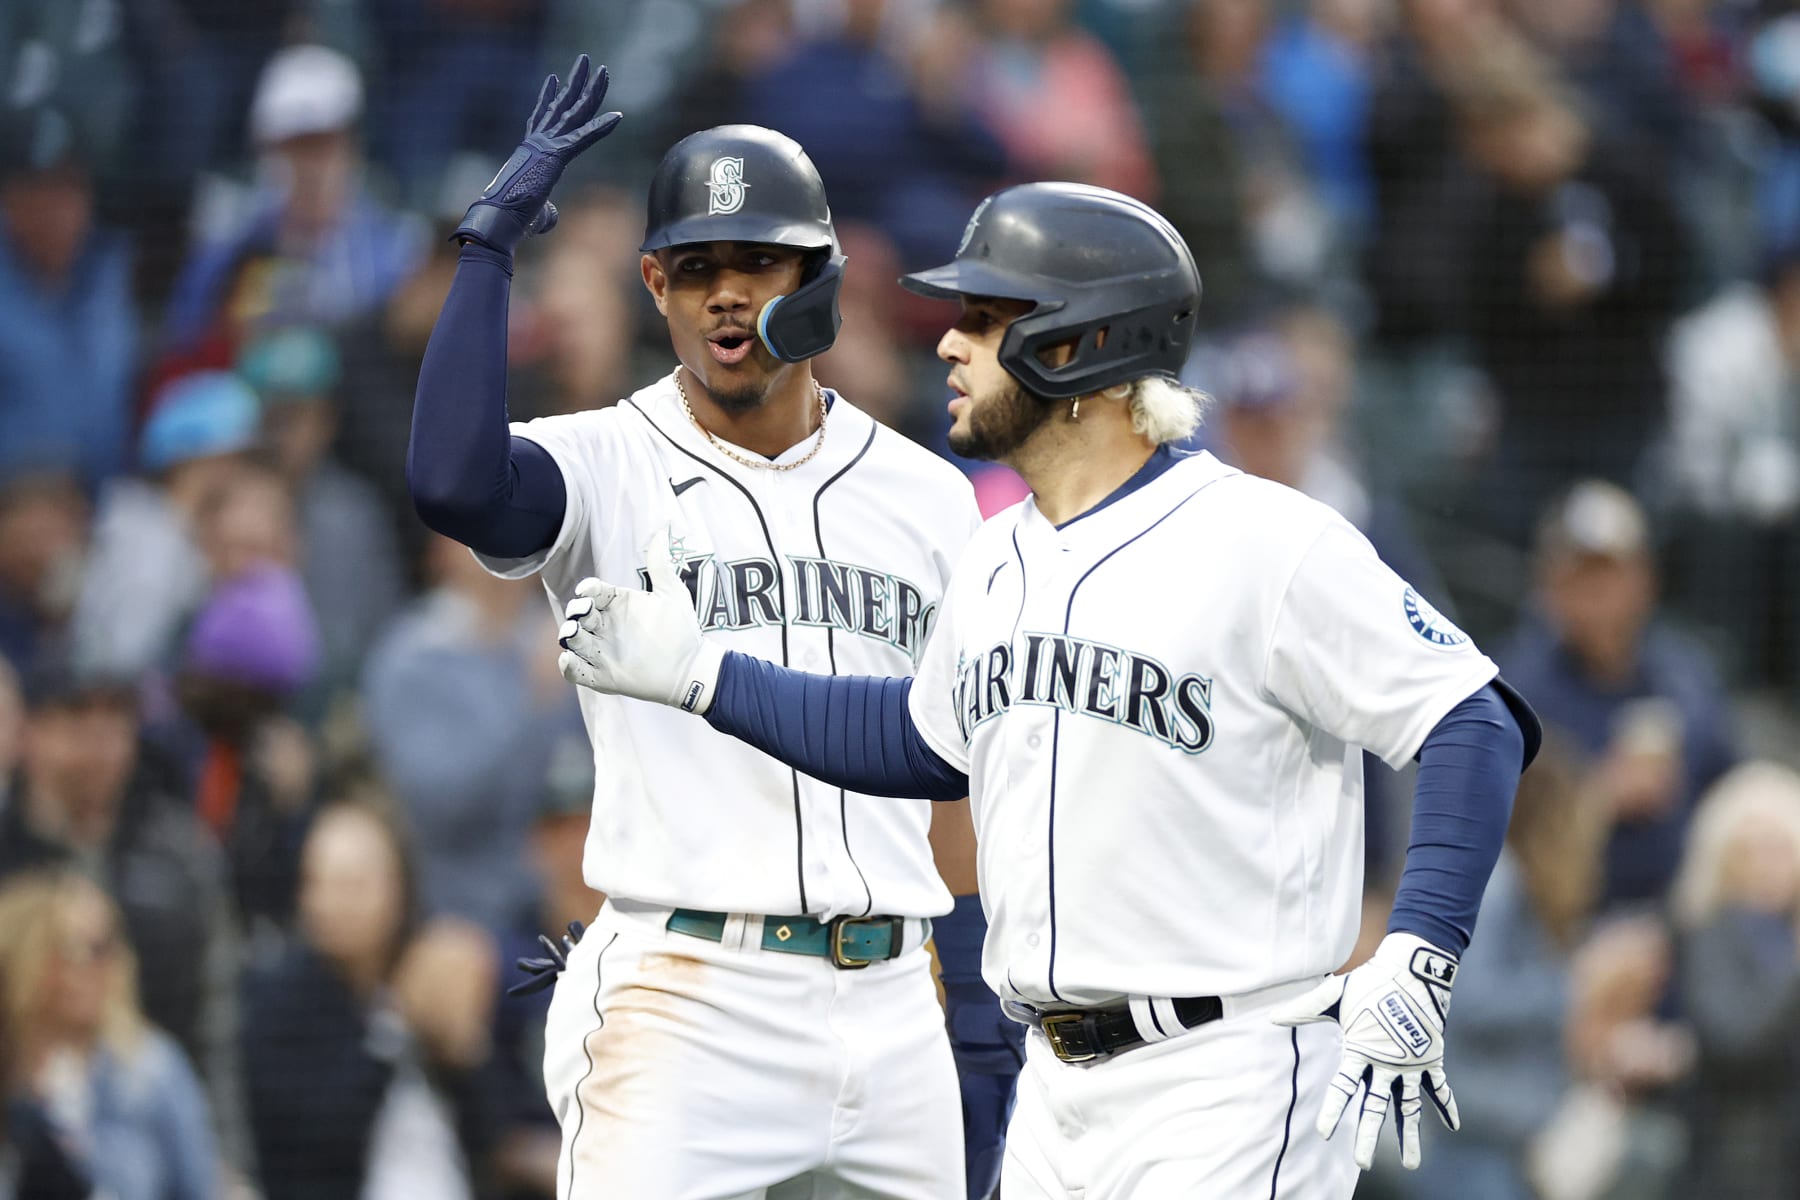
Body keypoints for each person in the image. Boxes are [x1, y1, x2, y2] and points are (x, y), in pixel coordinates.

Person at [556, 180, 1542, 1197]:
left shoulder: (1265, 542)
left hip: (1231, 1074)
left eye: (983, 320)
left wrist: (1422, 946)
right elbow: (912, 739)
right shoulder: (993, 559)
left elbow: (1472, 716)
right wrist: (704, 677)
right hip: (1056, 1089)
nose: (947, 343)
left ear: (1076, 346)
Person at [406, 59, 982, 1198]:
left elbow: (953, 769)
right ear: (655, 289)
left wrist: (967, 994)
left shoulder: (926, 494)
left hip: (893, 994)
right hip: (688, 992)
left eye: (757, 261)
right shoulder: (605, 460)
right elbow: (454, 483)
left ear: (816, 278)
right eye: (698, 269)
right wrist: (489, 250)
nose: (726, 294)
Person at [240, 800, 497, 1200]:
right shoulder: (278, 997)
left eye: (352, 885)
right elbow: (310, 1145)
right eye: (316, 882)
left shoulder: (428, 969)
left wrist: (460, 1049)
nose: (329, 902)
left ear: (399, 887)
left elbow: (490, 1137)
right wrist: (396, 1025)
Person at [0, 869, 219, 1200]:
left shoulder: (152, 1070)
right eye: (72, 949)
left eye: (102, 948)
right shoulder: (10, 1072)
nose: (91, 965)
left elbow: (199, 1188)